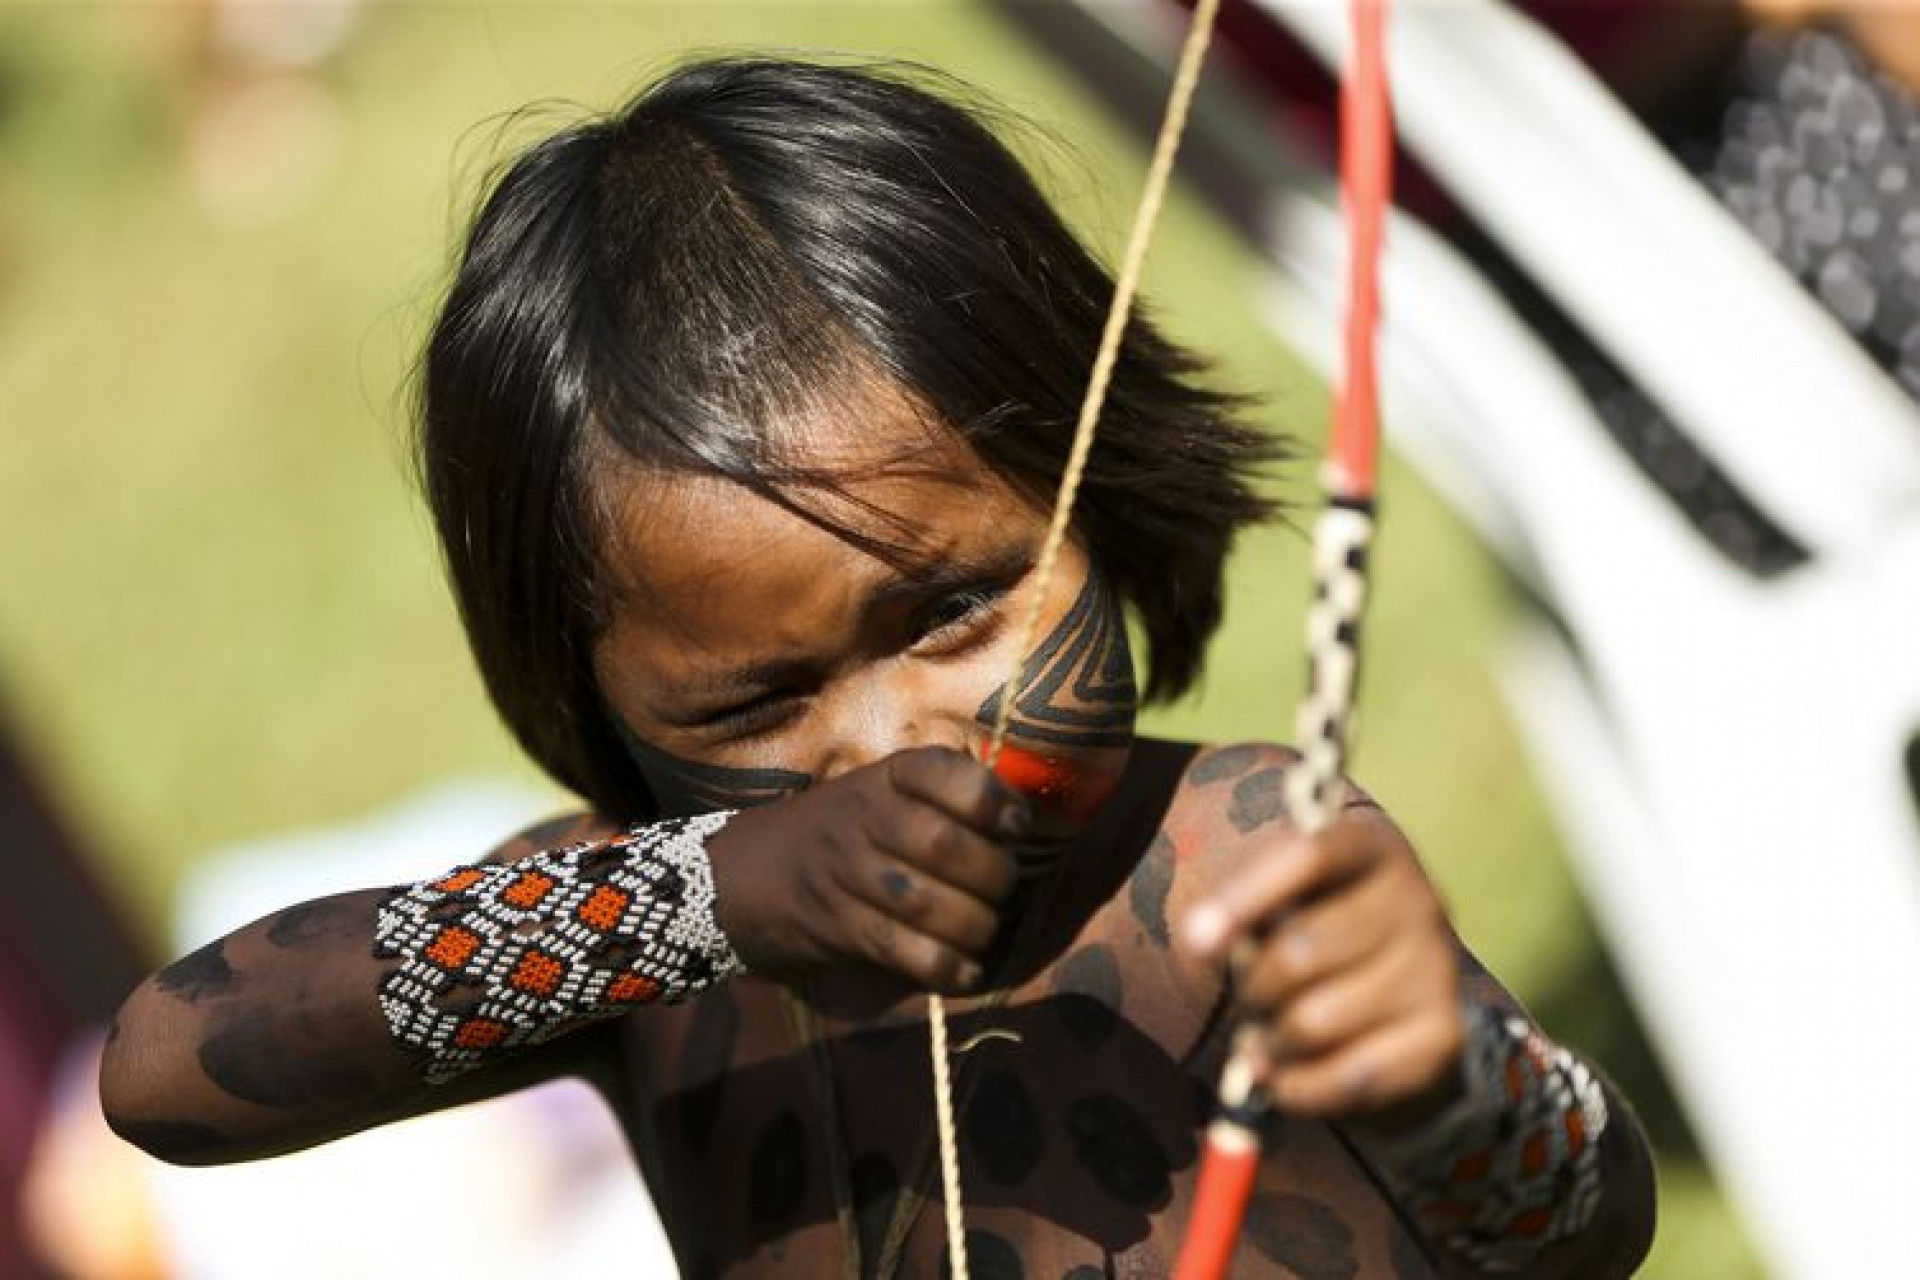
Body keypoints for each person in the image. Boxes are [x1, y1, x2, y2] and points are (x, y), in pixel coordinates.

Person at [98, 57, 1654, 1278]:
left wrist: (1453, 1086)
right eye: (751, 703)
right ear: (600, 707)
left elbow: (1580, 1229)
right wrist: (712, 897)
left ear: (1096, 502)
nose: (889, 745)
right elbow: (168, 1067)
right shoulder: (654, 949)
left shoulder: (1236, 862)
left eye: (956, 612)